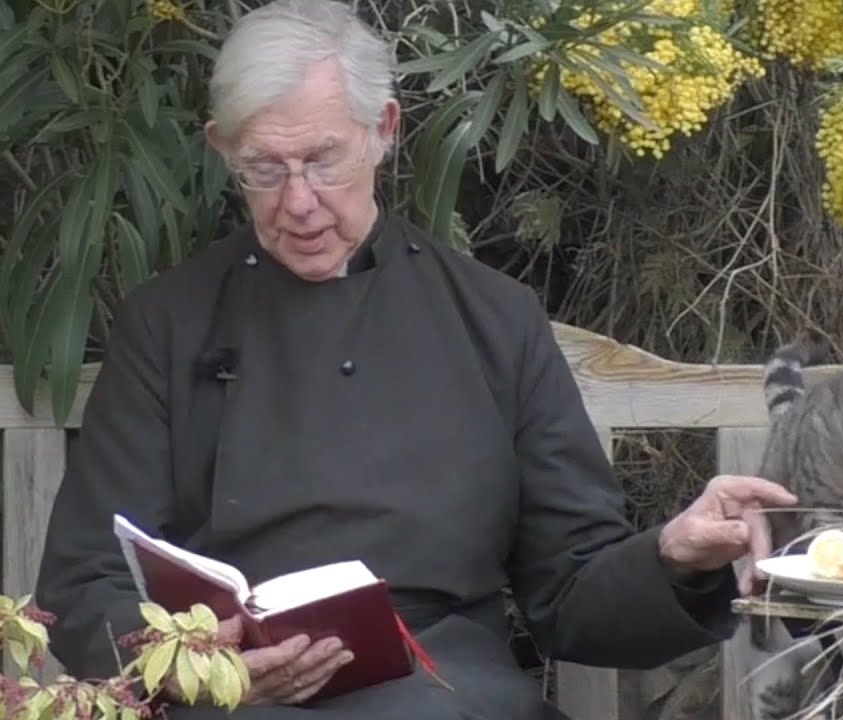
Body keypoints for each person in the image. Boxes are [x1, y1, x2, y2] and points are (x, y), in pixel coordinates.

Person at [32, 1, 796, 718]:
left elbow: (570, 590)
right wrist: (209, 662)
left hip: (445, 684)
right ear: (221, 149)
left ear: (383, 131)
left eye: (323, 161)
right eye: (264, 169)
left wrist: (673, 555)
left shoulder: (492, 318)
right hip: (237, 700)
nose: (298, 201)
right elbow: (83, 582)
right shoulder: (168, 323)